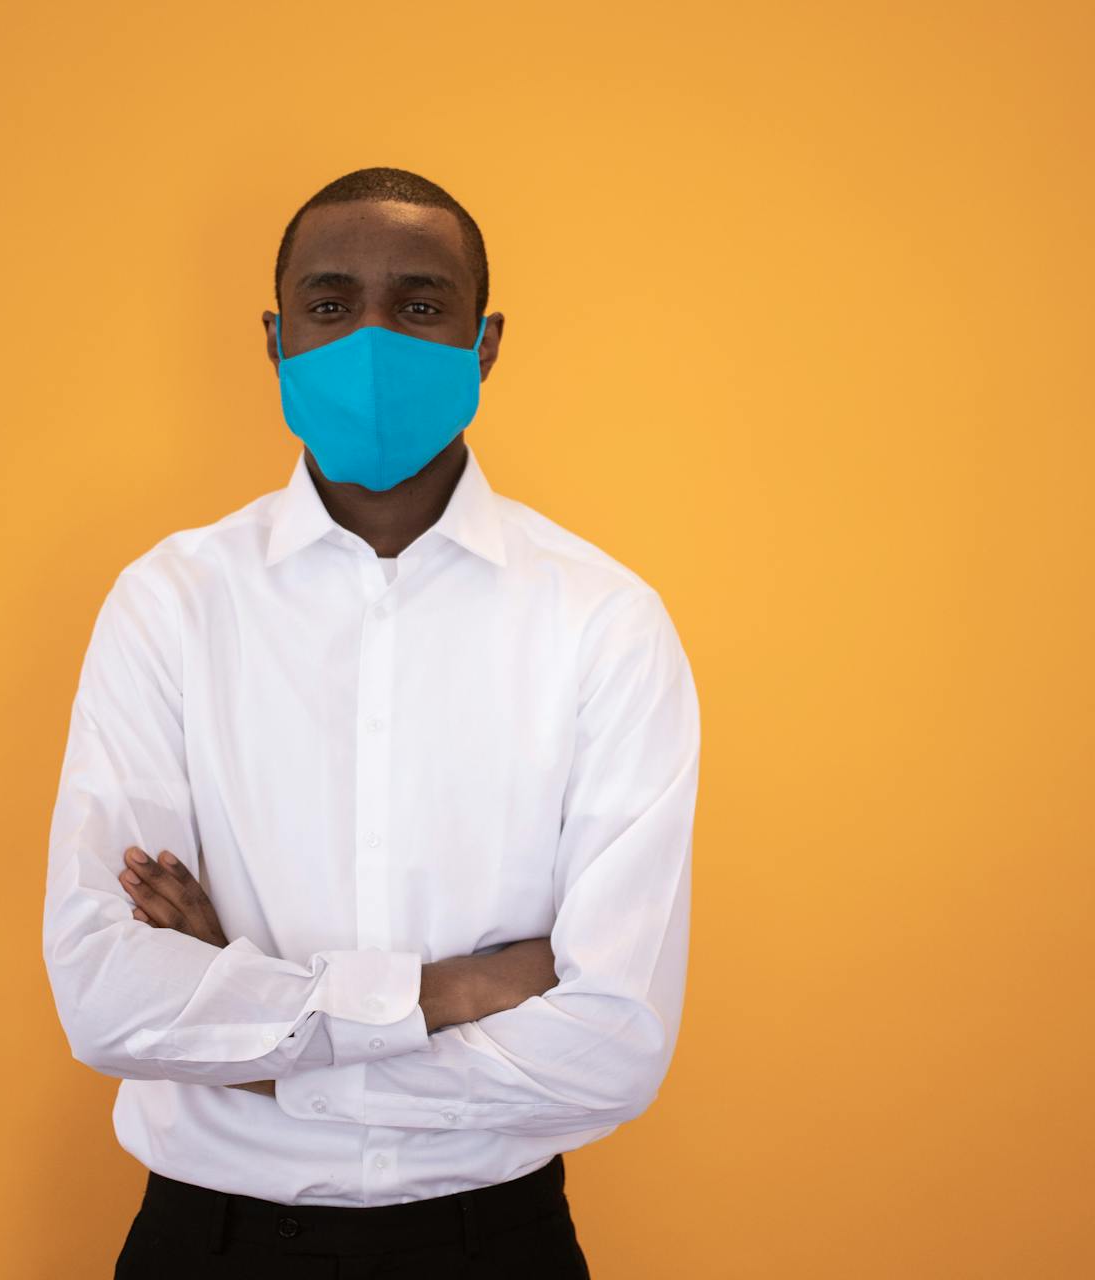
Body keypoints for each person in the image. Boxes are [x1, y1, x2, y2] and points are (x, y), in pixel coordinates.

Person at [41, 166, 702, 1278]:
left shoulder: (604, 621)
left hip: (493, 1245)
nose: (373, 337)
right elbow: (108, 998)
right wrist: (447, 991)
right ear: (276, 336)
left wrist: (249, 1024)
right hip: (210, 1243)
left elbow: (612, 1046)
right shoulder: (170, 602)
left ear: (485, 343)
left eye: (423, 304)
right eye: (333, 304)